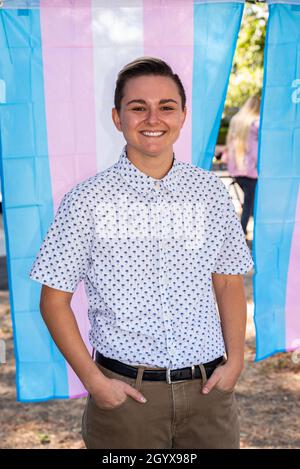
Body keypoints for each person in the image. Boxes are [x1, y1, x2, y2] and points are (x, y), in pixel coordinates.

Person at [29, 57, 254, 449]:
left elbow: (229, 281)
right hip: (126, 399)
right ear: (118, 117)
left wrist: (235, 361)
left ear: (183, 115)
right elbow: (53, 299)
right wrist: (95, 382)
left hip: (208, 395)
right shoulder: (86, 201)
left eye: (167, 106)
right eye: (138, 107)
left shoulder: (211, 193)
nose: (153, 117)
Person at [221, 96, 260, 236]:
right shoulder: (256, 123)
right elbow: (256, 150)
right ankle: (241, 233)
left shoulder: (237, 121)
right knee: (251, 204)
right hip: (251, 169)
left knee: (249, 203)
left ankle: (242, 232)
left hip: (236, 169)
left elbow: (229, 145)